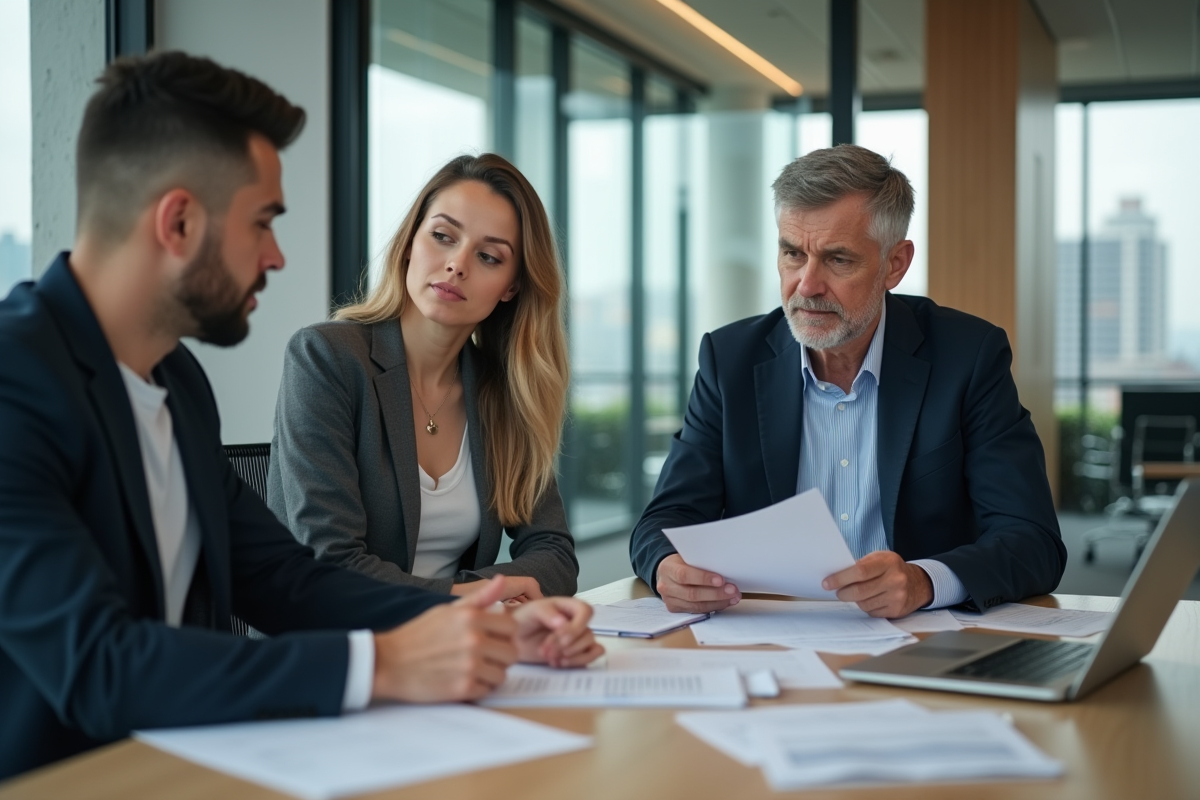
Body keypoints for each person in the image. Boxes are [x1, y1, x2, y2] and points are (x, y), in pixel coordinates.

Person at [0, 52, 601, 780]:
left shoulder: (176, 381)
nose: (278, 256)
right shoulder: (15, 383)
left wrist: (481, 626)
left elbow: (284, 579)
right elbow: (99, 664)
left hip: (195, 760)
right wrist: (383, 664)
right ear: (179, 222)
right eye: (263, 223)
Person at [630, 144, 1066, 619]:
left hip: (918, 638)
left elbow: (1033, 541)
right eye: (793, 254)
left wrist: (923, 582)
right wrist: (667, 567)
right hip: (768, 634)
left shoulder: (968, 357)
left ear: (895, 264)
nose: (807, 285)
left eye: (837, 260)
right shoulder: (730, 360)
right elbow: (663, 523)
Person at [267, 155, 575, 602]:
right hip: (343, 639)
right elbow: (331, 563)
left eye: (488, 257)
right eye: (442, 236)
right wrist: (473, 598)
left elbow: (555, 554)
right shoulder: (326, 358)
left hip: (459, 641)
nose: (457, 265)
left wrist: (469, 603)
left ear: (511, 287)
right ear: (410, 242)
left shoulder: (501, 391)